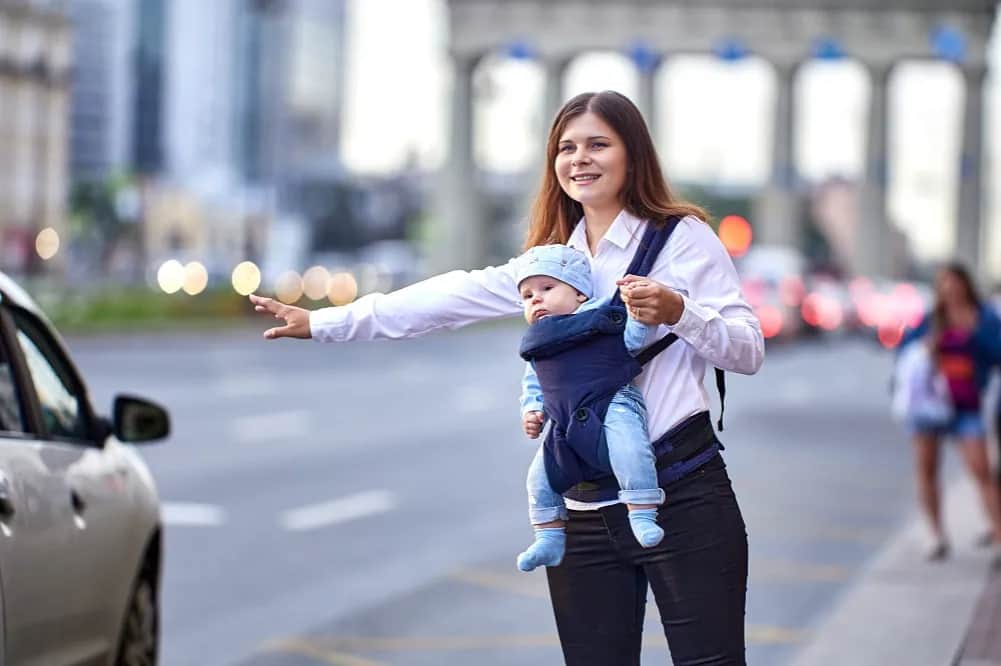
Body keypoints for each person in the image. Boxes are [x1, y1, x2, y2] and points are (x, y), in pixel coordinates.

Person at [250, 90, 764, 665]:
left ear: (633, 154)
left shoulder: (683, 238)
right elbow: (449, 298)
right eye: (566, 148)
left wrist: (679, 311)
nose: (580, 159)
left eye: (598, 144)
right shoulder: (551, 261)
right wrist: (323, 322)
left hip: (683, 494)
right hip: (583, 509)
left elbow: (748, 350)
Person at [514, 243, 663, 573]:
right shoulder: (539, 340)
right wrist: (532, 411)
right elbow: (533, 383)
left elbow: (632, 340)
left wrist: (637, 314)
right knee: (538, 478)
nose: (536, 299)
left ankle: (642, 512)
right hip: (564, 422)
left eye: (547, 288)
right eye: (527, 295)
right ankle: (548, 536)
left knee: (631, 452)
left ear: (580, 293)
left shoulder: (598, 317)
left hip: (613, 403)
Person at [899, 263, 1001, 560]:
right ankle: (936, 534)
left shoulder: (983, 317)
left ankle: (998, 533)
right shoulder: (931, 319)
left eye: (955, 283)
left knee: (982, 470)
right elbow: (905, 352)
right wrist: (926, 347)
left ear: (966, 285)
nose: (951, 290)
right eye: (945, 284)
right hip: (931, 405)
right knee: (927, 468)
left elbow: (997, 353)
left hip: (966, 403)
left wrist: (974, 334)